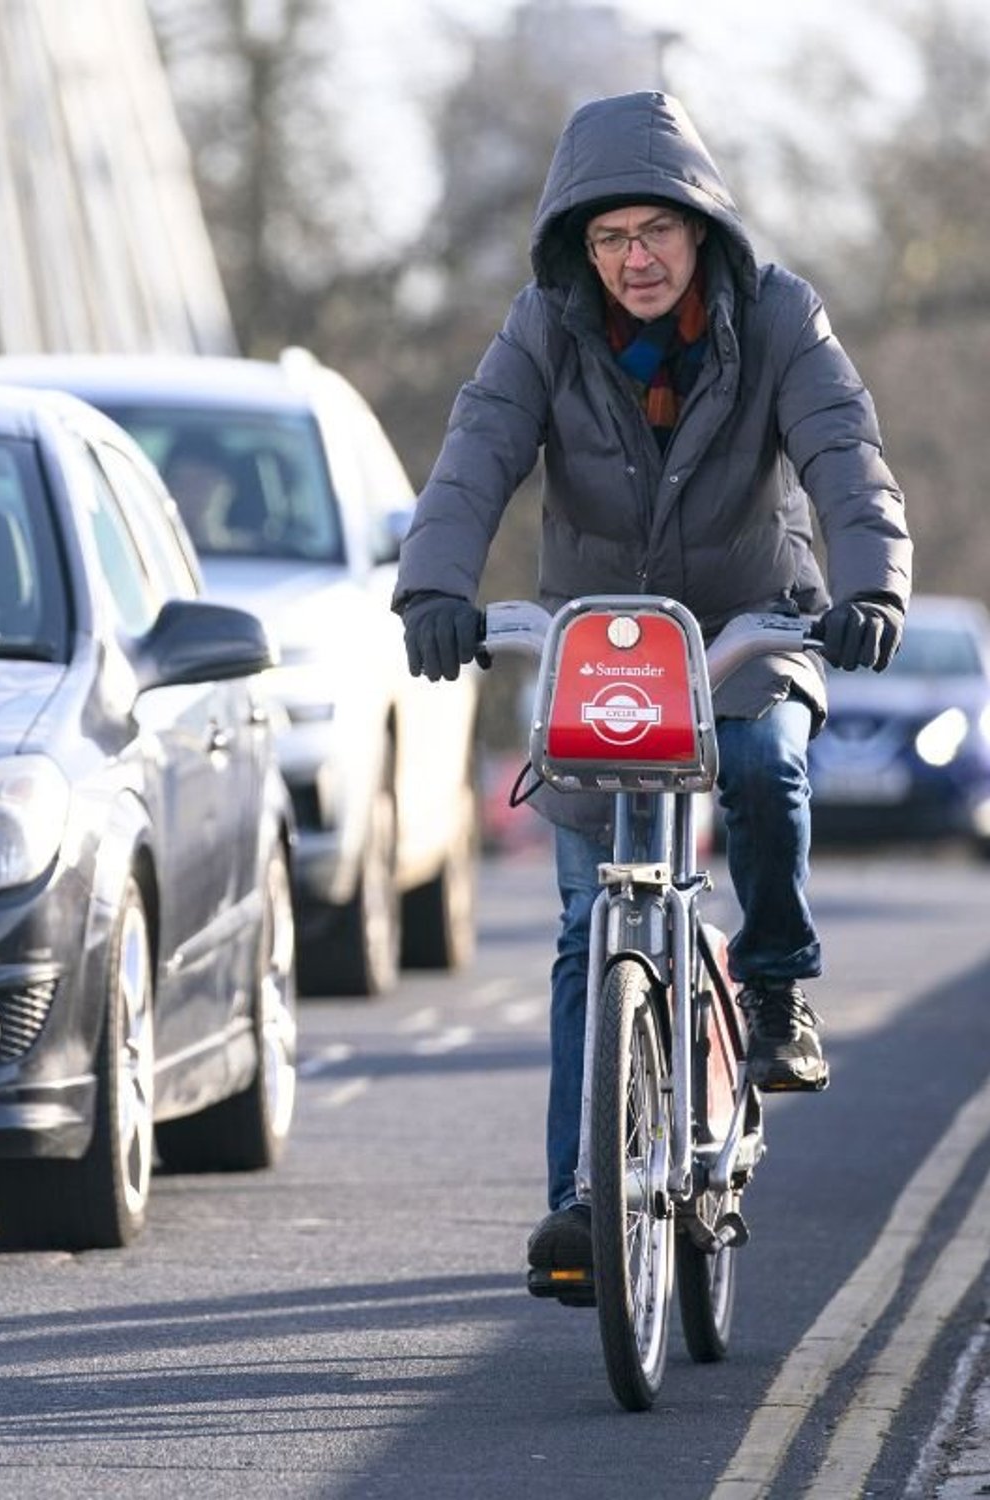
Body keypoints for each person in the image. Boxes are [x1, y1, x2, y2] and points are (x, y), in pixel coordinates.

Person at [389, 91, 912, 1280]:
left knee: (767, 766)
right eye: (608, 238)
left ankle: (774, 986)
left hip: (746, 626)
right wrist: (432, 588)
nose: (633, 259)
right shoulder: (540, 329)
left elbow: (841, 448)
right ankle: (580, 1202)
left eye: (654, 233)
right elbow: (475, 451)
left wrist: (868, 585)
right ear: (580, 249)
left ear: (699, 230)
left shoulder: (779, 316)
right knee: (587, 924)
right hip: (602, 652)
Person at [161, 434, 251, 552]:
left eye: (203, 485)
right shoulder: (149, 553)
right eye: (184, 485)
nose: (193, 496)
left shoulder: (253, 557)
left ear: (228, 491)